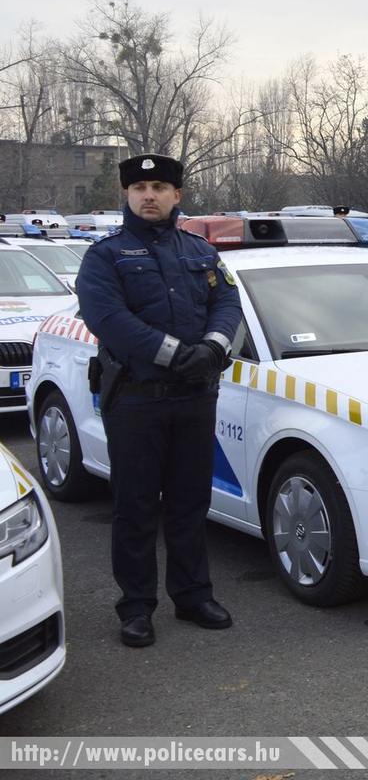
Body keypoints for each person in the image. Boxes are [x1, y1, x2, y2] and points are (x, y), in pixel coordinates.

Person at [76, 154, 243, 648]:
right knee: (136, 507)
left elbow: (227, 301)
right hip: (136, 401)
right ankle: (136, 606)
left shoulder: (200, 250)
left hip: (195, 398)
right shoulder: (106, 256)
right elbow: (108, 318)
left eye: (160, 187)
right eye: (140, 187)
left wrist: (213, 347)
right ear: (126, 195)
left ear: (177, 195)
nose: (149, 195)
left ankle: (192, 595)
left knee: (191, 503)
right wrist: (175, 355)